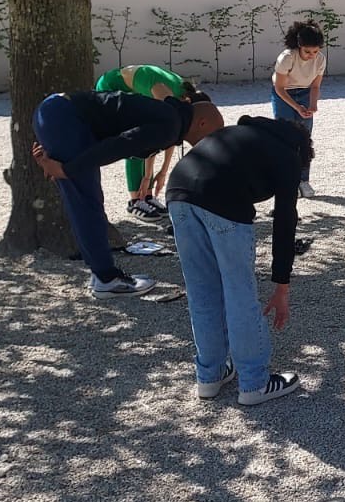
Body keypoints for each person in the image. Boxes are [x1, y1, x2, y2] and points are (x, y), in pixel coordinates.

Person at [165, 115, 308, 406]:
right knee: (239, 293)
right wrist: (282, 285)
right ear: (301, 151)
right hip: (223, 201)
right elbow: (284, 221)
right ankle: (254, 383)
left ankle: (209, 375)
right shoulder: (288, 156)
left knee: (202, 292)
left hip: (178, 192)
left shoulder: (240, 134)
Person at [32, 87, 223, 296]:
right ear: (202, 124)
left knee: (82, 199)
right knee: (86, 202)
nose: (209, 145)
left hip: (56, 110)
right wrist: (67, 169)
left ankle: (101, 274)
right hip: (64, 118)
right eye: (211, 137)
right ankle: (106, 279)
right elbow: (119, 145)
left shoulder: (170, 115)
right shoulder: (171, 125)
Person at [95, 64, 188, 218]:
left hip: (135, 91)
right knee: (135, 142)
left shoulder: (179, 96)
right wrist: (147, 176)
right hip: (111, 87)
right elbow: (153, 138)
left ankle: (147, 196)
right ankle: (135, 201)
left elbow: (171, 137)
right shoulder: (162, 94)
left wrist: (163, 172)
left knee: (146, 142)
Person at [272, 20, 327, 199]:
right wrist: (296, 106)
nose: (312, 55)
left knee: (304, 138)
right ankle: (287, 182)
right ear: (299, 46)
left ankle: (304, 180)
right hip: (284, 93)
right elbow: (279, 88)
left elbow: (315, 86)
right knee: (284, 136)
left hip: (305, 91)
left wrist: (312, 106)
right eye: (307, 51)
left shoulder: (320, 59)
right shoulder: (287, 57)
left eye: (315, 51)